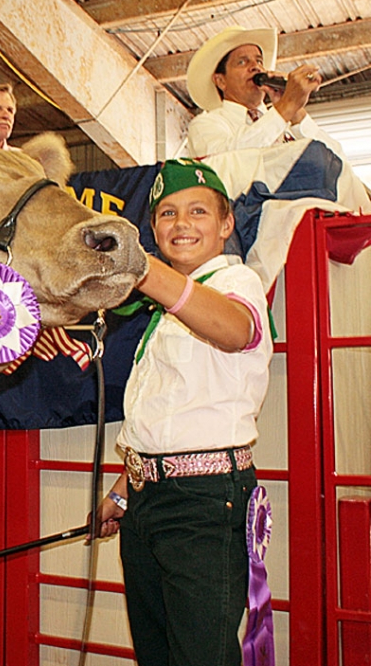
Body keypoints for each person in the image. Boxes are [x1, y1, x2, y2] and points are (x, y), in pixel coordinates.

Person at [96, 158, 273, 666]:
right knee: (157, 654)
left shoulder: (239, 284)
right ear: (154, 228)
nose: (181, 224)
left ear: (225, 225)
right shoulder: (165, 311)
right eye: (167, 214)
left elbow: (235, 329)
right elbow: (165, 415)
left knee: (202, 657)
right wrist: (123, 491)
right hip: (148, 500)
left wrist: (146, 269)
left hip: (203, 504)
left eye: (198, 212)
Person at [185, 25, 343, 158]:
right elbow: (226, 161)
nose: (256, 67)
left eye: (259, 61)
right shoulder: (206, 124)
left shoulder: (283, 121)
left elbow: (337, 161)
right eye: (242, 62)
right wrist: (285, 108)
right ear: (221, 81)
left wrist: (297, 114)